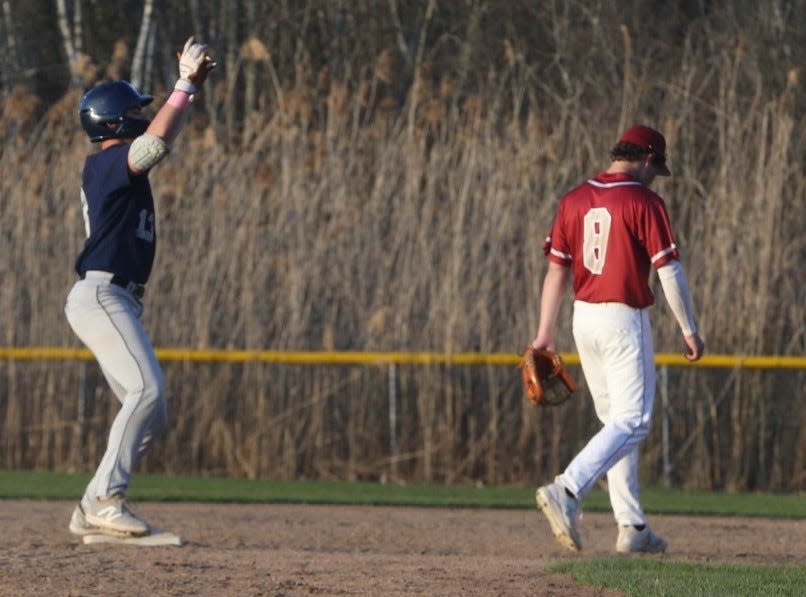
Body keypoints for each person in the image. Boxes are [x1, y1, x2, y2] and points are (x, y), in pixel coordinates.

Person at [65, 37, 216, 538]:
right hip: (102, 294)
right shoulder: (107, 164)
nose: (140, 115)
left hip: (119, 298)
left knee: (150, 406)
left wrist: (186, 92)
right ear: (113, 123)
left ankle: (92, 505)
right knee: (147, 391)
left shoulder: (119, 170)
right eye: (133, 109)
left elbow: (152, 144)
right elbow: (153, 144)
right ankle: (106, 499)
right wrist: (184, 88)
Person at [531, 125, 704, 554]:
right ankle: (566, 490)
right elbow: (669, 271)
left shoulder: (572, 199)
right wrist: (689, 328)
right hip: (624, 318)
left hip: (583, 319)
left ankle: (632, 528)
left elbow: (557, 271)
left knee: (616, 424)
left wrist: (543, 336)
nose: (655, 176)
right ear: (645, 158)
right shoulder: (643, 200)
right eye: (655, 167)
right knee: (634, 421)